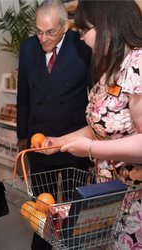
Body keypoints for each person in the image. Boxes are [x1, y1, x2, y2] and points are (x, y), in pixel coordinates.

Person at [40, 0, 142, 249]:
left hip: (135, 197)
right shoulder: (113, 65)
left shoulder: (139, 63)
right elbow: (102, 127)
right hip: (112, 191)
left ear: (107, 25)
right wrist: (62, 141)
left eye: (85, 31)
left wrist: (90, 150)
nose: (82, 39)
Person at [16, 0, 91, 249]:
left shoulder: (81, 45)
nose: (43, 38)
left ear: (65, 26)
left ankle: (71, 245)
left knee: (73, 205)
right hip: (40, 137)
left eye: (50, 32)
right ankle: (41, 244)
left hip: (74, 138)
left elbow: (93, 91)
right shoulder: (28, 48)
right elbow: (23, 95)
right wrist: (22, 136)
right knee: (41, 203)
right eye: (39, 31)